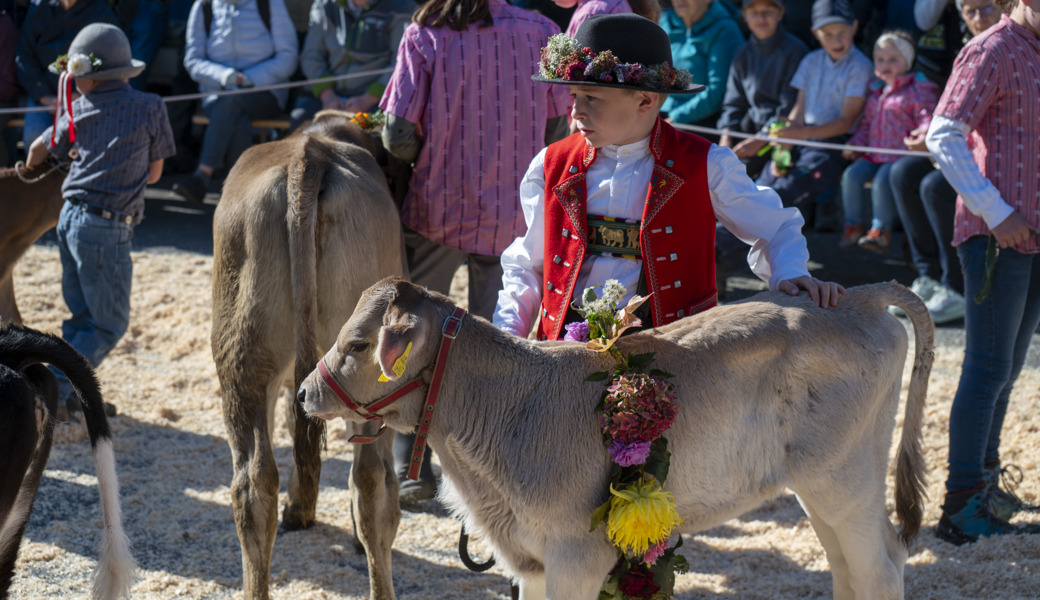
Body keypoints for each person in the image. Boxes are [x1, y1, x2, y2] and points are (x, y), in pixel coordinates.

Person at [493, 14, 844, 350]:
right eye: (574, 97)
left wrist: (789, 271)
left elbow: (776, 227)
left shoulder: (707, 163)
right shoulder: (551, 164)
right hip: (563, 352)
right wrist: (507, 334)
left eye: (592, 98)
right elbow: (528, 263)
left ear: (646, 100)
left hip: (674, 358)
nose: (576, 112)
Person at [379, 0, 571, 505]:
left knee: (413, 336)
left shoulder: (426, 32)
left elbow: (396, 134)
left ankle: (410, 462)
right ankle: (486, 471)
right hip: (514, 214)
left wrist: (438, 151)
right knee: (494, 344)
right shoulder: (544, 31)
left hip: (438, 208)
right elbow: (560, 130)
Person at [925, 0, 1040, 545]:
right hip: (997, 236)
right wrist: (997, 212)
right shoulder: (990, 48)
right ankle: (960, 502)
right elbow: (943, 134)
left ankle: (985, 486)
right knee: (988, 367)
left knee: (1007, 368)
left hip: (1030, 236)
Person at [23, 23, 175, 418]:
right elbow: (155, 175)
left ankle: (73, 394)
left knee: (82, 318)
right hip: (106, 227)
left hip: (69, 219)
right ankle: (53, 388)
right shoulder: (150, 106)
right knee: (108, 326)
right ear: (124, 72)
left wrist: (28, 168)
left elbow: (39, 148)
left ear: (87, 77)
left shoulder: (79, 109)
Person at [887, 0, 1001, 326]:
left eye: (986, 8)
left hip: (995, 150)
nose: (979, 16)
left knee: (935, 187)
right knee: (902, 174)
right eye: (971, 9)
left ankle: (957, 286)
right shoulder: (963, 41)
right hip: (961, 139)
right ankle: (929, 277)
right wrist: (929, 132)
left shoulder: (1010, 43)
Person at [755, 0, 872, 228]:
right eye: (827, 34)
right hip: (802, 138)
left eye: (842, 32)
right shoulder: (810, 61)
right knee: (762, 184)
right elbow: (799, 108)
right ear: (815, 33)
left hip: (834, 145)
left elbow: (845, 122)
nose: (836, 40)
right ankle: (726, 241)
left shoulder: (860, 66)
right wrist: (784, 148)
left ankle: (721, 245)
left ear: (855, 26)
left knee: (782, 192)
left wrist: (799, 135)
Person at [173, 0, 298, 204]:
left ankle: (203, 175)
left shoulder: (269, 4)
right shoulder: (203, 6)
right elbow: (193, 60)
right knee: (235, 115)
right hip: (217, 92)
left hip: (264, 92)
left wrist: (249, 79)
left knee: (231, 103)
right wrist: (225, 77)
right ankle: (241, 195)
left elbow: (288, 56)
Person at [838, 30, 938, 254]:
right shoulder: (875, 92)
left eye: (893, 59)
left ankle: (881, 231)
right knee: (851, 176)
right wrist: (854, 144)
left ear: (907, 62)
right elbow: (866, 126)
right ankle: (853, 224)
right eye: (881, 59)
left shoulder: (918, 90)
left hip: (899, 156)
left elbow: (927, 117)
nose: (886, 64)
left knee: (884, 181)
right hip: (874, 154)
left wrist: (923, 133)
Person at [717, 0, 808, 180]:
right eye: (754, 12)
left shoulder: (795, 51)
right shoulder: (742, 53)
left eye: (768, 11)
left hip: (780, 136)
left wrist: (759, 141)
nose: (761, 18)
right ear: (744, 15)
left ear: (781, 13)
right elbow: (733, 102)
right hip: (748, 129)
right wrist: (725, 139)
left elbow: (789, 106)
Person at [292, 0, 416, 129]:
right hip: (329, 95)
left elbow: (403, 62)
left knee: (387, 130)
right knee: (300, 119)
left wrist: (368, 99)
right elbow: (311, 56)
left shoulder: (403, 7)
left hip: (378, 98)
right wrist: (327, 95)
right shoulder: (324, 5)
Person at [15, 0, 118, 153]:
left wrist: (84, 93)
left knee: (84, 144)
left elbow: (112, 57)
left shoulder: (100, 10)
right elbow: (24, 56)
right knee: (34, 137)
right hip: (45, 93)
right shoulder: (38, 7)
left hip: (87, 97)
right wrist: (44, 97)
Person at [659, 0, 744, 134]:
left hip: (695, 121)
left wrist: (675, 118)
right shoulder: (664, 20)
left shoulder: (725, 30)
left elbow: (717, 90)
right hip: (657, 110)